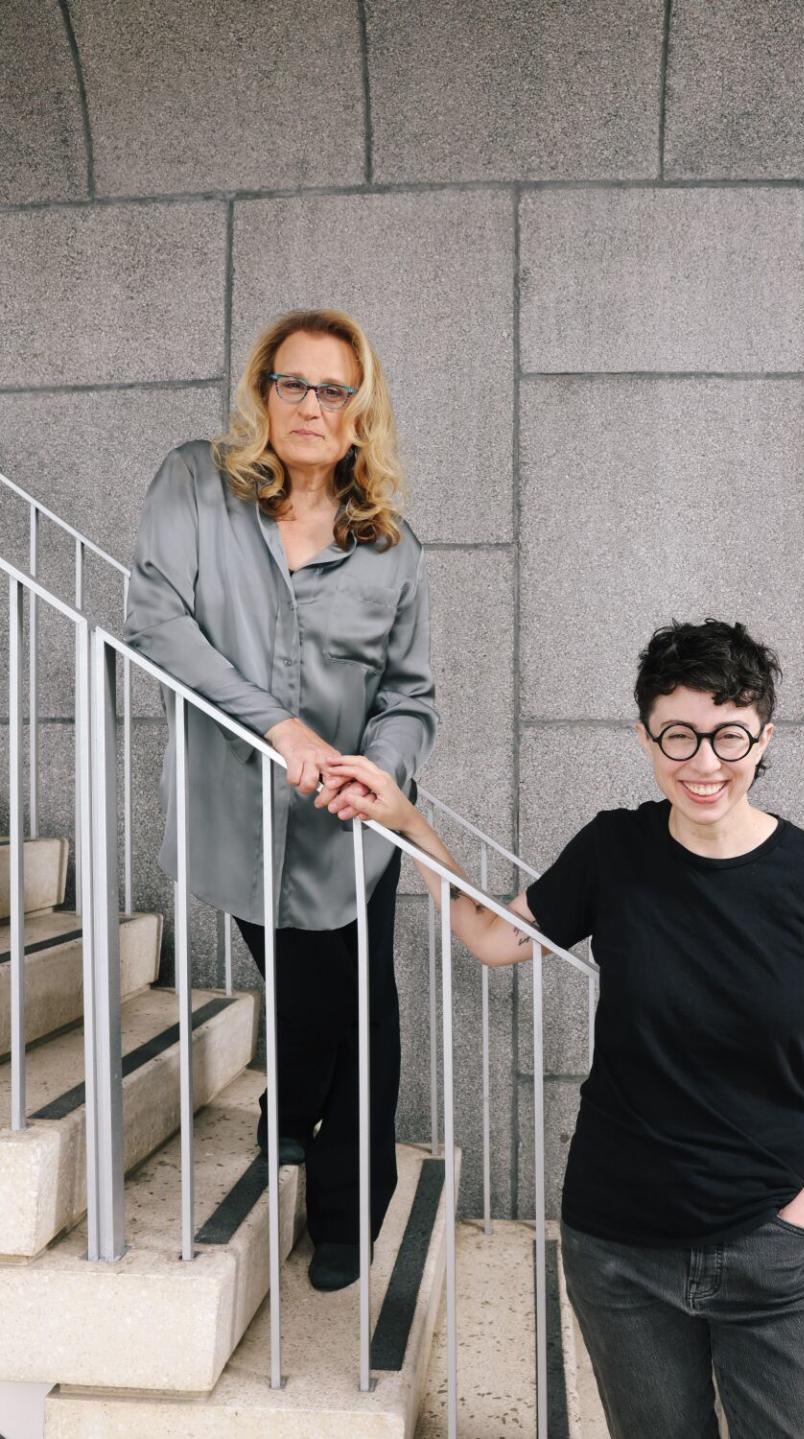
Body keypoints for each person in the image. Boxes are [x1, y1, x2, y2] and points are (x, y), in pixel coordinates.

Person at [325, 618, 804, 1438]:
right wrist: (411, 821)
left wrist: (801, 1221)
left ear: (764, 735)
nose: (704, 762)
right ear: (645, 737)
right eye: (679, 734)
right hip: (619, 1251)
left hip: (775, 1248)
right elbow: (493, 939)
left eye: (729, 734)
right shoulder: (615, 849)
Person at [124, 308, 437, 1291]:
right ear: (263, 393)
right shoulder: (192, 483)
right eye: (293, 383)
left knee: (364, 1000)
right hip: (240, 812)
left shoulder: (391, 547)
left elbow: (410, 693)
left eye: (333, 388)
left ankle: (348, 1209)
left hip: (354, 821)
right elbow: (157, 623)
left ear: (359, 411)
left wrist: (379, 764)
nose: (312, 403)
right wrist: (283, 729)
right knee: (307, 993)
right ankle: (289, 1113)